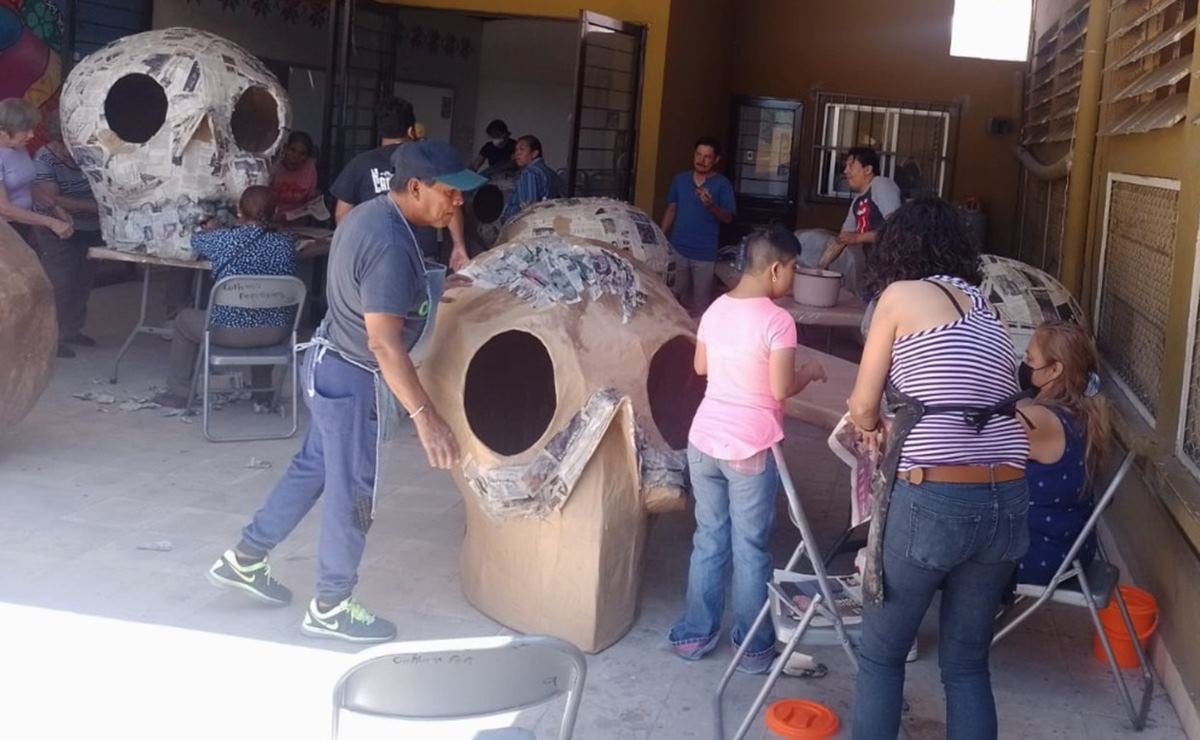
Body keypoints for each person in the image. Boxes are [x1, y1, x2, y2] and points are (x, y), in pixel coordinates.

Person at [205, 141, 485, 643]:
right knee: (354, 493)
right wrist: (426, 416)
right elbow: (383, 342)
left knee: (312, 470)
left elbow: (374, 290)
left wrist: (430, 290)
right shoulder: (391, 243)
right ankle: (331, 604)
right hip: (354, 379)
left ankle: (245, 558)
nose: (458, 203)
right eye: (451, 193)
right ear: (416, 187)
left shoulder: (373, 215)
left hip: (327, 367)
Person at [847, 197, 1029, 740]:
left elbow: (862, 405)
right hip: (1008, 497)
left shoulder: (899, 296)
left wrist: (874, 422)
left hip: (935, 498)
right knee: (967, 665)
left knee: (881, 654)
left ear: (897, 246)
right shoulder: (981, 301)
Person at [668, 227, 826, 675]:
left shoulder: (716, 308)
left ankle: (695, 635)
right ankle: (754, 649)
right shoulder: (779, 320)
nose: (794, 278)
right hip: (750, 446)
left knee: (709, 539)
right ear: (776, 268)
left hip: (703, 441)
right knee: (751, 548)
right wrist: (809, 372)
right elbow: (779, 390)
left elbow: (701, 366)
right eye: (794, 268)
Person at [152, 186, 298, 409]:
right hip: (276, 331)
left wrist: (212, 229)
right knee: (262, 308)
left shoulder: (223, 240)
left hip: (228, 331)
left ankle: (179, 393)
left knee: (183, 321)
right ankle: (263, 393)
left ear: (240, 212)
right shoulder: (286, 245)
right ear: (275, 211)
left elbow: (195, 241)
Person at [1016, 320, 1109, 586]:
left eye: (1029, 358)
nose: (1023, 364)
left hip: (1040, 555)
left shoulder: (1040, 420)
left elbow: (968, 441)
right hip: (1072, 551)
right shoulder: (1082, 411)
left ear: (1055, 369)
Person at [330, 96, 469, 271]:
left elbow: (342, 214)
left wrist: (354, 248)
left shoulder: (360, 163)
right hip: (422, 254)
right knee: (426, 296)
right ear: (412, 131)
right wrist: (459, 246)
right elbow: (449, 201)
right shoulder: (426, 162)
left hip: (375, 255)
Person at [31, 109, 101, 359]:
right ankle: (51, 336)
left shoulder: (87, 155)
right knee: (60, 283)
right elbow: (51, 198)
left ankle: (71, 329)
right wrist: (95, 207)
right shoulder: (45, 159)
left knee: (83, 281)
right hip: (59, 228)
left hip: (91, 228)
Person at [660, 137, 735, 316]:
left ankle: (697, 341)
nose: (701, 160)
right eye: (698, 155)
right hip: (678, 249)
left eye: (707, 157)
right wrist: (660, 237)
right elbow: (671, 209)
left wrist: (711, 206)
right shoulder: (680, 180)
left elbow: (728, 218)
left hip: (705, 254)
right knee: (673, 300)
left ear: (716, 160)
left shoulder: (722, 185)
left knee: (701, 305)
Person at [0, 99, 73, 245]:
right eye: (25, 130)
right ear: (3, 131)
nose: (32, 135)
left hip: (21, 224)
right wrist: (51, 223)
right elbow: (4, 208)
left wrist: (54, 208)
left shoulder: (19, 147)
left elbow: (28, 185)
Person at [816, 147, 901, 272]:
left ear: (867, 169)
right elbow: (842, 239)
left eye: (851, 165)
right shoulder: (857, 201)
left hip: (896, 264)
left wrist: (858, 238)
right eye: (846, 166)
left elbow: (896, 228)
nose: (845, 171)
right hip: (876, 267)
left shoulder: (881, 184)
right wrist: (819, 268)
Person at [498, 134, 563, 224]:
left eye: (522, 149)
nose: (517, 153)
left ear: (534, 153)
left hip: (526, 226)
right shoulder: (549, 172)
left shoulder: (529, 173)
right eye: (516, 149)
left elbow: (528, 210)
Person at [269, 131, 319, 219]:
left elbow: (311, 199)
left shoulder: (310, 169)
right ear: (285, 148)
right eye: (292, 150)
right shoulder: (274, 165)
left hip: (298, 221)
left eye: (302, 154)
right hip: (272, 219)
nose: (296, 157)